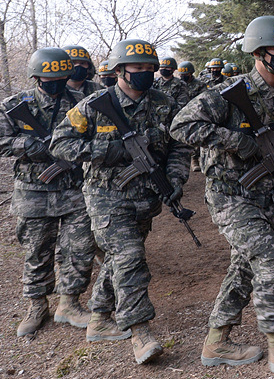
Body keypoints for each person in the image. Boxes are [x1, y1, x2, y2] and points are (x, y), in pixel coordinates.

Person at [170, 15, 274, 377]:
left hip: (266, 195)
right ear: (257, 50)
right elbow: (181, 125)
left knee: (244, 268)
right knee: (271, 258)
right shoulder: (230, 93)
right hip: (230, 196)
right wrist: (236, 140)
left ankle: (217, 341)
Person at [50, 38, 191, 364]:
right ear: (120, 70)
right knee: (130, 257)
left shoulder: (164, 104)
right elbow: (60, 143)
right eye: (137, 67)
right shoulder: (95, 105)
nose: (144, 73)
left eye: (148, 68)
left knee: (118, 260)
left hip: (145, 198)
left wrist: (175, 180)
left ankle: (100, 318)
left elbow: (179, 147)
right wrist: (107, 152)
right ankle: (140, 330)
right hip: (105, 196)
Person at [0, 48, 96, 337]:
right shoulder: (16, 105)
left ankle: (69, 303)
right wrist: (24, 145)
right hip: (33, 192)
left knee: (78, 250)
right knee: (37, 252)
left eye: (60, 78)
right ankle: (37, 306)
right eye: (48, 79)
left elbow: (100, 139)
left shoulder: (82, 104)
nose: (54, 84)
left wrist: (75, 152)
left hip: (75, 190)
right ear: (35, 78)